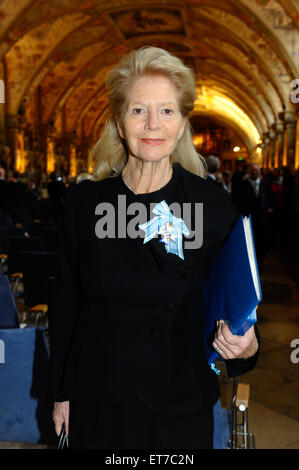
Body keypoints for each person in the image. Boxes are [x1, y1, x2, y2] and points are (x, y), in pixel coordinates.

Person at [50, 47, 259, 449]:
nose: (152, 124)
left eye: (166, 111)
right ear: (119, 121)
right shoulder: (85, 204)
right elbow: (66, 305)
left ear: (182, 125)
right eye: (138, 110)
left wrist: (246, 344)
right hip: (97, 400)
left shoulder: (212, 206)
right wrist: (61, 391)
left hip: (178, 405)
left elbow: (237, 303)